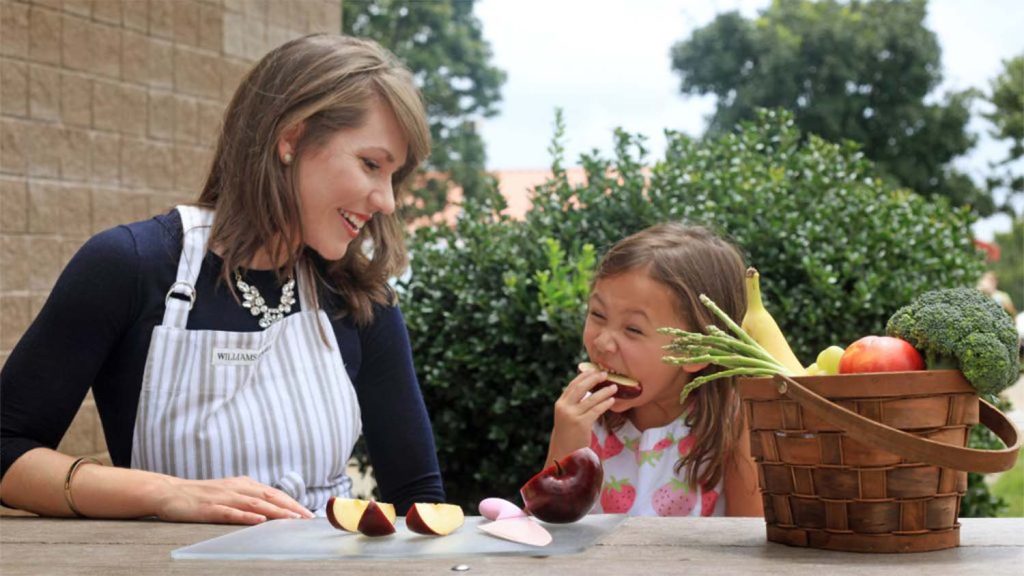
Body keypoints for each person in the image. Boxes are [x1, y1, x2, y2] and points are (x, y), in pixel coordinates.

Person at [0, 34, 444, 524]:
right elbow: (6, 448)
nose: (386, 200)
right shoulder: (129, 266)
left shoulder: (360, 299)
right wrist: (166, 494)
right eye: (370, 165)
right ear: (291, 140)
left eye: (392, 176)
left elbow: (420, 499)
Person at [546, 223, 763, 517]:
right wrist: (565, 443)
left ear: (696, 351)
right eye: (597, 314)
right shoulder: (585, 417)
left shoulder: (733, 425)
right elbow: (549, 525)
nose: (603, 341)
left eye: (633, 329)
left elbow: (748, 536)